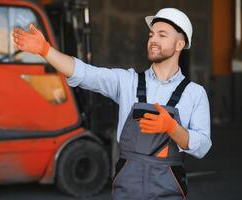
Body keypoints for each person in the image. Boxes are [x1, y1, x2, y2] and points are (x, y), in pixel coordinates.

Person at [13, 7, 211, 200]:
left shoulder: (194, 94)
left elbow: (202, 146)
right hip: (128, 186)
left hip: (167, 187)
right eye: (151, 35)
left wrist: (172, 128)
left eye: (162, 35)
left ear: (179, 44)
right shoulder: (127, 82)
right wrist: (46, 50)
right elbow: (84, 73)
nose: (153, 40)